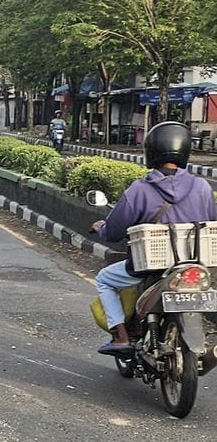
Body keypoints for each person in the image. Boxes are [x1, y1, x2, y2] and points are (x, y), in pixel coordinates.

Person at [91, 121, 217, 355]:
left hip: (149, 267)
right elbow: (211, 222)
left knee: (104, 279)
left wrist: (101, 228)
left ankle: (121, 337)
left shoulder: (139, 189)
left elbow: (114, 231)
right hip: (192, 264)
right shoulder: (202, 187)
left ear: (151, 151)